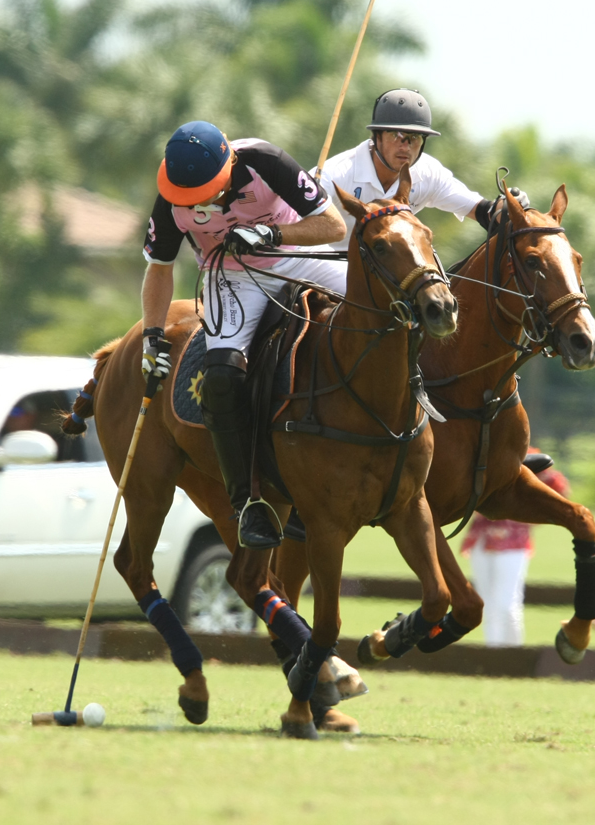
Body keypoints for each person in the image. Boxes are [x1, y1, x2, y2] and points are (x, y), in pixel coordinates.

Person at [141, 120, 347, 551]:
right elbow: (160, 269)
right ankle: (248, 502)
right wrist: (153, 336)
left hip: (295, 256)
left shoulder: (264, 161)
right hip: (231, 278)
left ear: (228, 163)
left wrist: (272, 232)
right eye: (189, 197)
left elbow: (332, 227)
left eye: (205, 191)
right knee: (221, 377)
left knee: (383, 309)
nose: (198, 203)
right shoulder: (170, 195)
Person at [312, 88, 529, 247]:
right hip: (327, 268)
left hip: (386, 273)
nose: (405, 146)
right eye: (396, 135)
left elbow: (481, 211)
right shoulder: (335, 174)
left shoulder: (428, 173)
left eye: (414, 137)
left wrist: (507, 208)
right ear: (376, 137)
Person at [461, 453, 570, 646]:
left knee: (506, 602)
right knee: (486, 602)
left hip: (513, 542)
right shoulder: (485, 458)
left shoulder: (528, 461)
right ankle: (495, 652)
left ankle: (511, 653)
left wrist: (536, 516)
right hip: (482, 539)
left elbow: (558, 489)